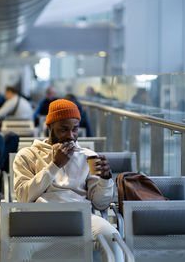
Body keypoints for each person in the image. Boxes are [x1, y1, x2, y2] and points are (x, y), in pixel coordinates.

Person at [13, 99, 122, 261]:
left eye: (75, 130)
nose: (70, 136)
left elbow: (100, 203)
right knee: (18, 247)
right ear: (49, 127)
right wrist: (55, 165)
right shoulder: (27, 155)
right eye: (63, 130)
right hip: (42, 218)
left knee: (113, 238)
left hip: (81, 217)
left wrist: (105, 179)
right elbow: (23, 197)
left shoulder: (88, 156)